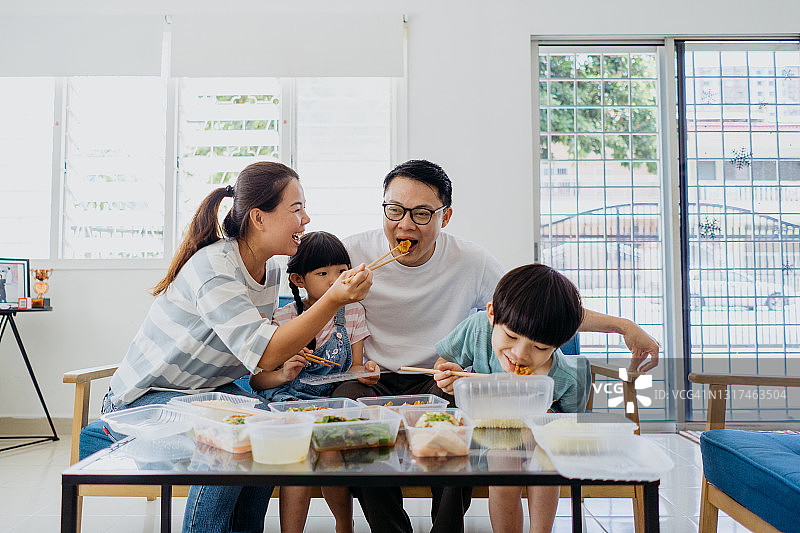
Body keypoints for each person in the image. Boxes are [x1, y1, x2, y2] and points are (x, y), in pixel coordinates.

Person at [333, 159, 659, 533]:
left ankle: (447, 529)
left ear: (446, 216)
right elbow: (309, 303)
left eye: (422, 213)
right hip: (372, 378)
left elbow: (530, 311)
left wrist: (622, 326)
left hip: (440, 377)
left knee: (465, 418)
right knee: (354, 420)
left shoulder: (470, 261)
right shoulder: (353, 254)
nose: (405, 224)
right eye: (395, 210)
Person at [85, 161, 373, 533]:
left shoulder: (267, 269)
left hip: (204, 394)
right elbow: (267, 351)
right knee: (232, 437)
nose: (306, 219)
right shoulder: (214, 268)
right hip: (143, 401)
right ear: (259, 217)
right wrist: (333, 300)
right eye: (296, 209)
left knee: (274, 426)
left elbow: (259, 355)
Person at [433, 263, 589, 533]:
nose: (520, 354)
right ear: (492, 314)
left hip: (542, 449)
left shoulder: (567, 377)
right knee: (503, 460)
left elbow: (572, 429)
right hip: (488, 440)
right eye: (512, 336)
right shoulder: (479, 330)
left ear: (558, 344)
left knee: (546, 457)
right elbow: (444, 362)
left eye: (540, 347)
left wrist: (550, 421)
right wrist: (449, 375)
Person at [250, 231, 379, 533]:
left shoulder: (353, 313)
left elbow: (357, 367)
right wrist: (284, 373)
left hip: (332, 402)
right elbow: (257, 381)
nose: (335, 280)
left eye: (341, 272)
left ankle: (343, 527)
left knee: (330, 448)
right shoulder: (282, 319)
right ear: (298, 279)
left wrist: (368, 372)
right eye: (323, 273)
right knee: (298, 457)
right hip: (289, 404)